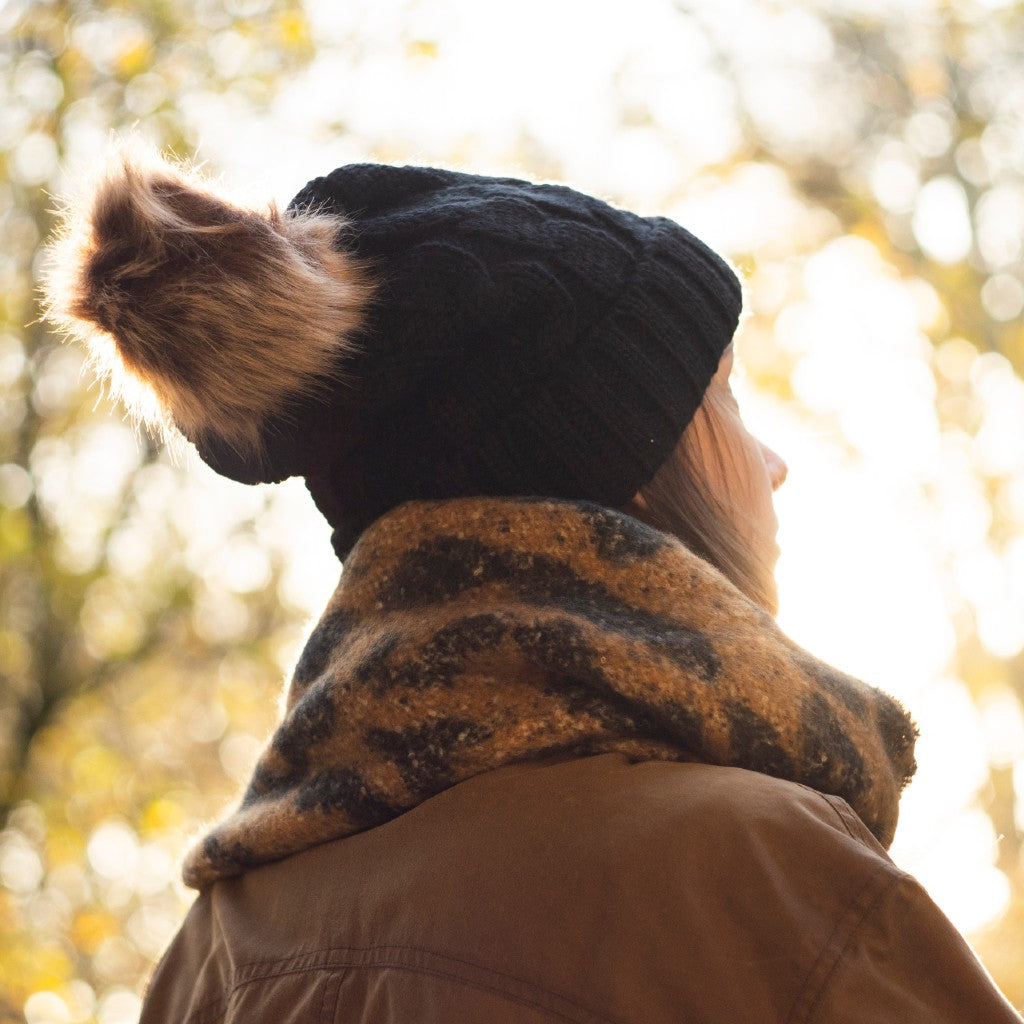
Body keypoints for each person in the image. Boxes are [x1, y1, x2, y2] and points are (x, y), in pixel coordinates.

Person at [44, 150, 1022, 1023]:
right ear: (623, 467)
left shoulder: (216, 956)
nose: (773, 462)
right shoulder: (755, 872)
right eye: (722, 391)